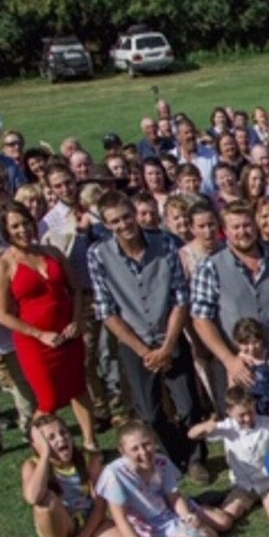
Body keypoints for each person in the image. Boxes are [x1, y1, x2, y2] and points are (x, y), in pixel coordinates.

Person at [88, 192, 200, 471]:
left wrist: (166, 346)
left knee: (187, 405)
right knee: (149, 413)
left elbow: (180, 298)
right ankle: (172, 456)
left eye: (127, 216)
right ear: (106, 225)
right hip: (134, 339)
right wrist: (144, 352)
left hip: (169, 334)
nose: (124, 224)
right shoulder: (98, 255)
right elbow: (106, 311)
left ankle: (197, 458)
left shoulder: (164, 244)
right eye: (115, 221)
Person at [0, 202, 98, 451]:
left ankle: (91, 443)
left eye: (25, 223)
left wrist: (76, 320)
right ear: (6, 231)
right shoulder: (3, 266)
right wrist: (39, 334)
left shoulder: (53, 253)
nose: (22, 230)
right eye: (15, 226)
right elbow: (3, 314)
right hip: (36, 343)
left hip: (68, 334)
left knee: (79, 388)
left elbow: (75, 290)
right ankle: (44, 449)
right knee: (48, 399)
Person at [190, 202, 269, 426]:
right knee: (243, 424)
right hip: (237, 360)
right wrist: (229, 360)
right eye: (235, 227)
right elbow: (200, 319)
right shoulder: (211, 267)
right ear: (225, 230)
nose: (242, 232)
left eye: (247, 225)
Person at [97, 422, 221, 537]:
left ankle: (198, 514)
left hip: (169, 512)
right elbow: (121, 519)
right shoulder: (114, 474)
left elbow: (174, 496)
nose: (143, 452)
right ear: (123, 451)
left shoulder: (161, 462)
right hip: (148, 525)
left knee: (224, 522)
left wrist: (186, 517)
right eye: (135, 449)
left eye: (146, 444)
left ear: (153, 441)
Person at [22, 414, 131, 537]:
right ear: (38, 445)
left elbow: (100, 508)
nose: (60, 439)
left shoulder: (89, 459)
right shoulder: (32, 465)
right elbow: (32, 498)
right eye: (51, 438)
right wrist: (45, 455)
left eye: (64, 432)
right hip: (62, 527)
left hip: (90, 522)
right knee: (45, 502)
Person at [187, 386, 269, 524]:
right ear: (229, 412)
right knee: (229, 514)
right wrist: (205, 426)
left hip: (268, 482)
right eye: (241, 415)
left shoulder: (266, 423)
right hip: (243, 484)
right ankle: (207, 504)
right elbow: (191, 435)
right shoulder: (227, 427)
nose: (247, 418)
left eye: (250, 412)